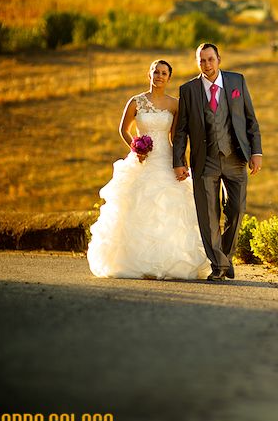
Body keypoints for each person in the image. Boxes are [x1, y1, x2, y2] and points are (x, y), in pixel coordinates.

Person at [88, 60, 210, 279]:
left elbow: (177, 137)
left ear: (169, 78)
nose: (159, 76)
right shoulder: (136, 101)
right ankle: (136, 263)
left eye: (164, 73)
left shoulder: (175, 104)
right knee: (136, 205)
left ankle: (169, 263)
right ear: (150, 74)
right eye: (156, 72)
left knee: (169, 206)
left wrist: (180, 162)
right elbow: (123, 130)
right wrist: (136, 146)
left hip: (165, 158)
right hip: (142, 161)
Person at [173, 43, 263, 281]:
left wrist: (256, 152)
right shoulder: (188, 90)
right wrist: (178, 161)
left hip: (235, 157)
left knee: (236, 210)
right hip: (205, 160)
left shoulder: (237, 82)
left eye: (210, 59)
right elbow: (181, 131)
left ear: (219, 59)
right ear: (197, 63)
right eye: (201, 61)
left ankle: (224, 255)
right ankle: (219, 265)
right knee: (208, 214)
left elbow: (250, 120)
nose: (207, 65)